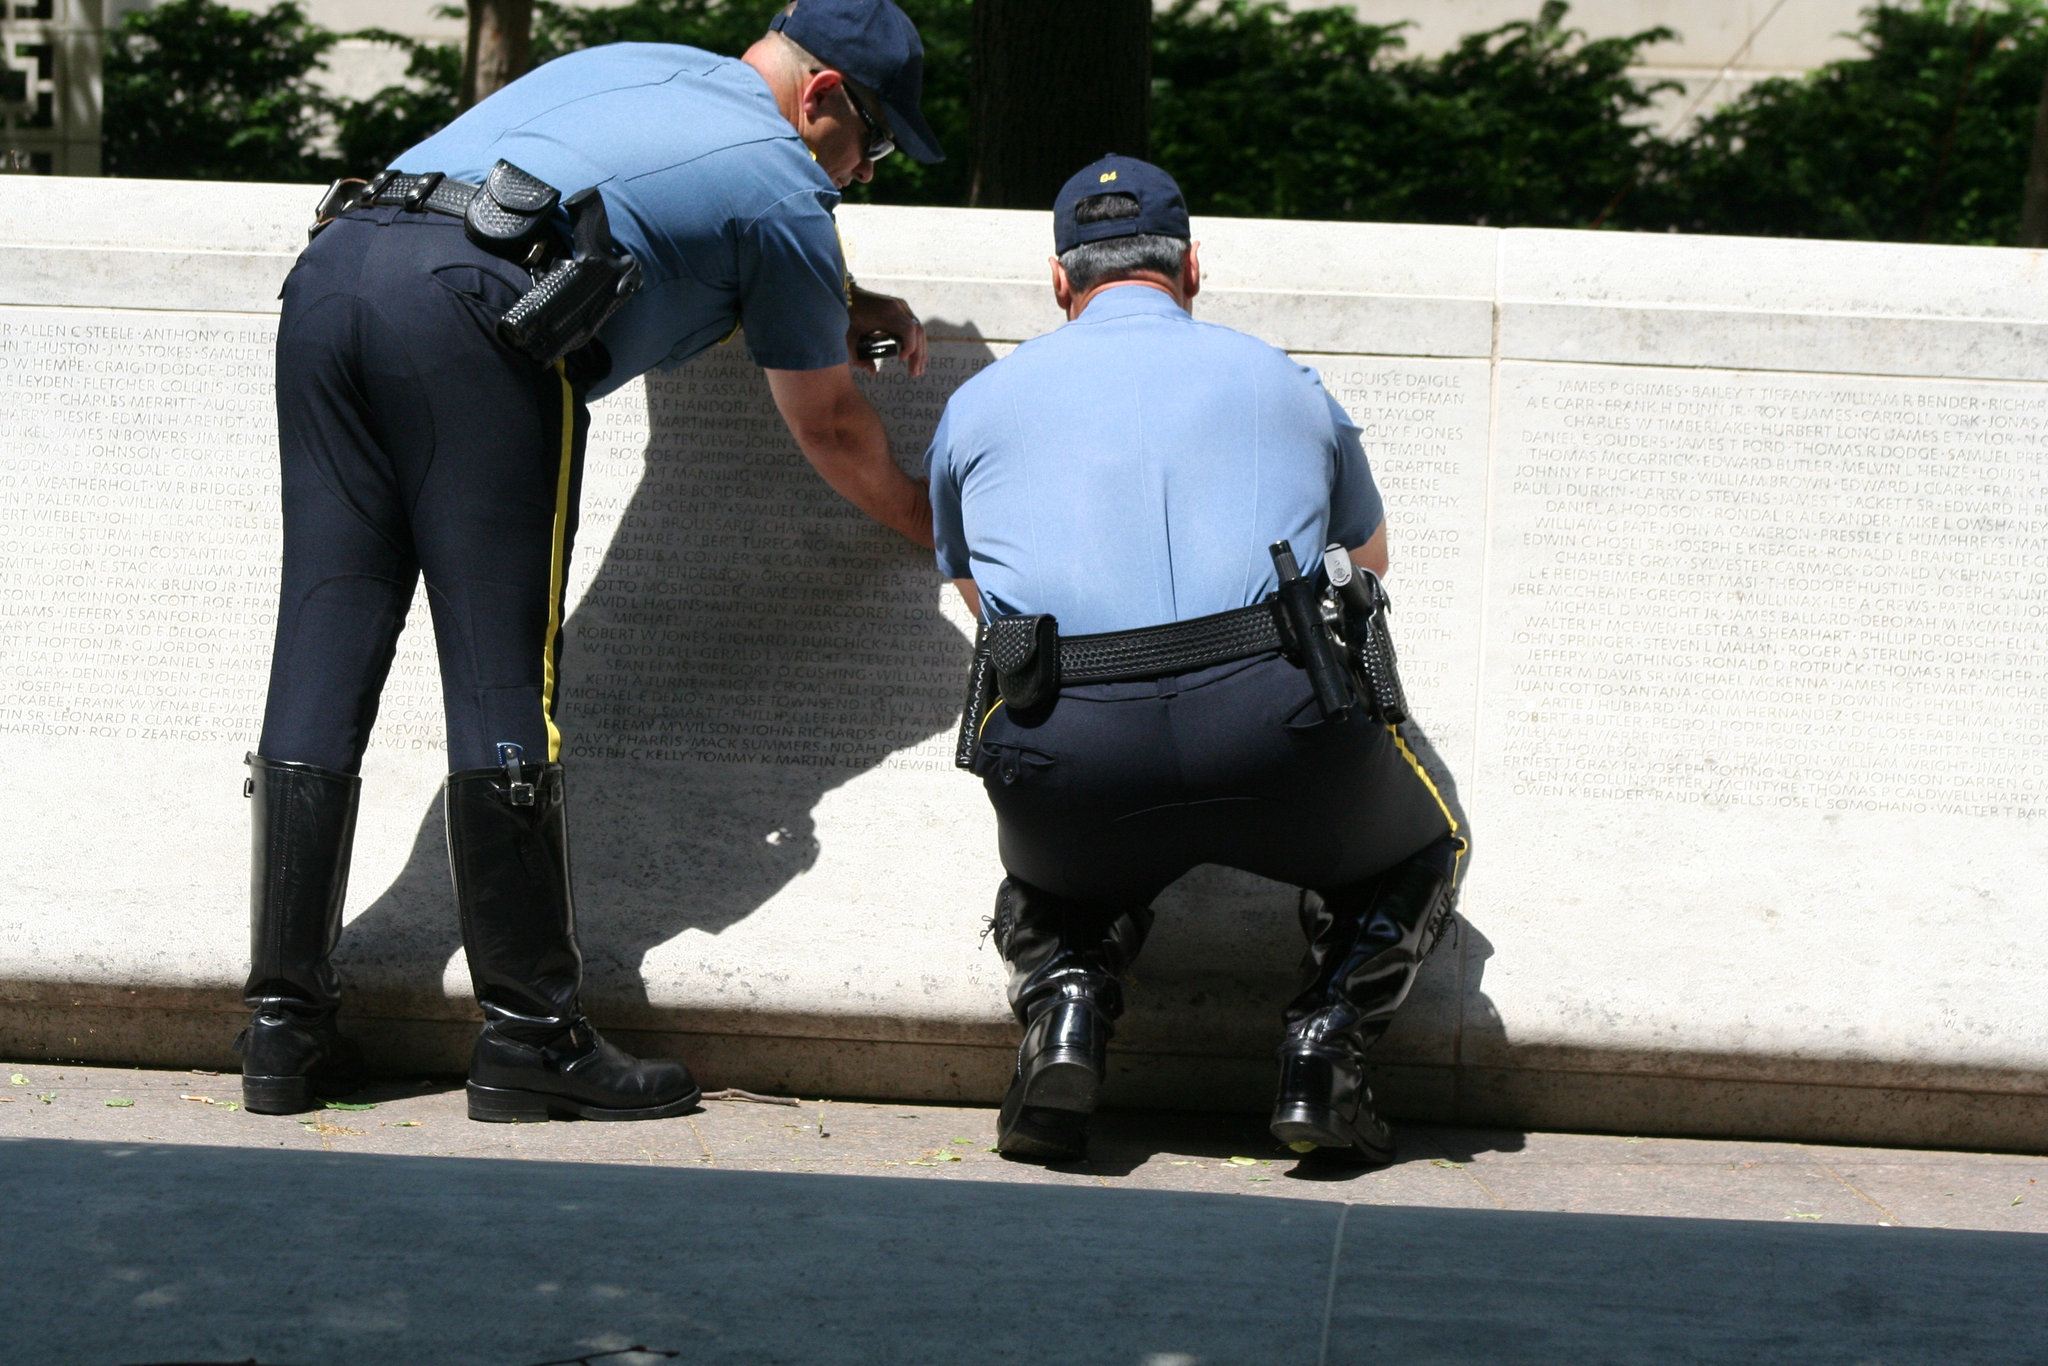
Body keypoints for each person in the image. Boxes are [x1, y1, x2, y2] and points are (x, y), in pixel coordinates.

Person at [238, 0, 944, 1123]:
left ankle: (281, 1029)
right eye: (874, 145)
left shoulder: (636, 65)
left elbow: (651, 204)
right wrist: (942, 532)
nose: (862, 176)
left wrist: (838, 299)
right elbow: (834, 429)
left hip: (335, 272)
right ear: (821, 101)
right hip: (475, 318)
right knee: (504, 679)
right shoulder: (783, 182)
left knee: (319, 651)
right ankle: (528, 1034)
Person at [926, 155, 1467, 1164]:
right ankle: (1326, 1041)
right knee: (1427, 839)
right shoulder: (1284, 381)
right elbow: (1367, 560)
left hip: (1069, 752)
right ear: (1193, 267)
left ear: (1058, 281)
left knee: (1050, 888)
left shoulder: (978, 406)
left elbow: (975, 595)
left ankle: (1065, 1003)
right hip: (1279, 733)